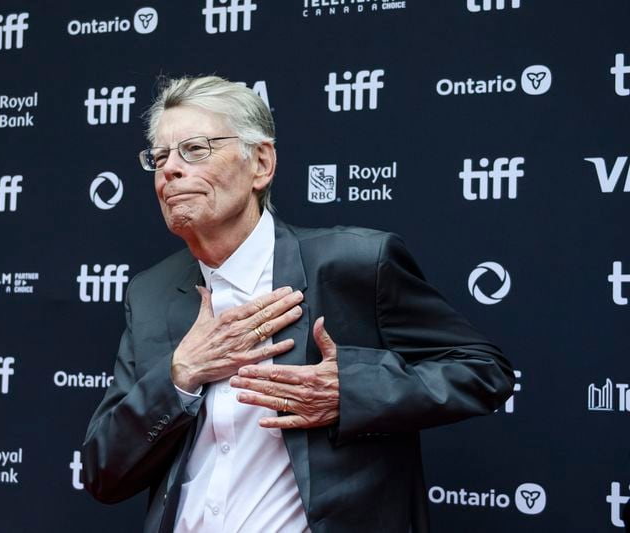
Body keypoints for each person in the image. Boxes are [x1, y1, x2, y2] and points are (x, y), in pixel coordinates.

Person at [81, 75, 515, 533]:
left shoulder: (355, 264)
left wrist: (350, 391)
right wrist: (181, 376)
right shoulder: (150, 294)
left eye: (195, 149)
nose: (169, 169)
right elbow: (104, 473)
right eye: (161, 156)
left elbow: (484, 370)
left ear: (261, 163)